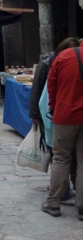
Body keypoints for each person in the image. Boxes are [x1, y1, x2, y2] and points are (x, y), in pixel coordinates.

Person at [42, 41, 83, 220]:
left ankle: (53, 203)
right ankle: (81, 207)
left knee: (60, 158)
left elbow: (52, 87)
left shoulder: (63, 57)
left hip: (65, 115)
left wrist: (54, 108)